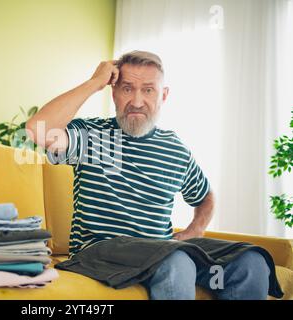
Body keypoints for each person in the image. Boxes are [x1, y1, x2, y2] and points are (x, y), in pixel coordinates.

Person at [25, 51, 271, 300]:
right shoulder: (92, 135)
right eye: (127, 89)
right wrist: (93, 83)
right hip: (100, 253)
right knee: (177, 260)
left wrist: (195, 229)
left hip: (160, 254)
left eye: (148, 90)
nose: (137, 101)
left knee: (251, 262)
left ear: (164, 96)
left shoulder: (175, 149)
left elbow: (205, 196)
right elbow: (37, 129)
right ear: (113, 94)